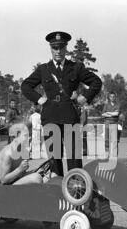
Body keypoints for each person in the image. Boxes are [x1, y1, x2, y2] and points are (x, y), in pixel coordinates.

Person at [21, 31, 102, 176]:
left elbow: (96, 82)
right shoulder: (43, 69)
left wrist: (84, 97)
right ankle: (57, 188)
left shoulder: (76, 67)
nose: (58, 51)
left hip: (70, 115)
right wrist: (39, 99)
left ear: (66, 49)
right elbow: (25, 86)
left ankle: (76, 187)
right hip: (50, 116)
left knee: (74, 157)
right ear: (51, 49)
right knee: (54, 158)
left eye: (61, 48)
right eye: (55, 48)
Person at [102, 91, 120, 157]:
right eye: (111, 96)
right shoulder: (106, 105)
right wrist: (112, 114)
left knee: (115, 141)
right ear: (109, 97)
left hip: (114, 124)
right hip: (107, 124)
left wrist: (108, 113)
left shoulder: (117, 105)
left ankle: (115, 155)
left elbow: (117, 114)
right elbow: (103, 114)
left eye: (113, 96)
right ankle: (107, 154)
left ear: (115, 97)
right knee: (107, 140)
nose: (112, 98)